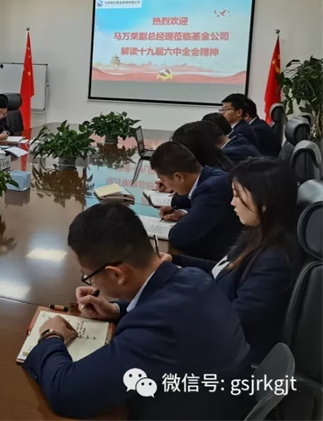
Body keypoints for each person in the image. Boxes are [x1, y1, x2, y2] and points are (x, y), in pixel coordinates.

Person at [23, 203, 252, 420]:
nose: (91, 282)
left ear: (117, 274)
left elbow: (65, 392)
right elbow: (160, 304)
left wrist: (51, 336)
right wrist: (115, 310)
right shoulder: (193, 277)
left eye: (89, 276)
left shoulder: (155, 328)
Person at [164, 158, 300, 363]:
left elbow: (234, 321)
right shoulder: (258, 233)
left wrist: (172, 318)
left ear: (264, 201)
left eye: (237, 195)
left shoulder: (274, 260)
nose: (232, 202)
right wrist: (175, 260)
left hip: (224, 357)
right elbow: (222, 270)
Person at [151, 142, 243, 260]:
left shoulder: (212, 189)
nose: (164, 184)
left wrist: (189, 218)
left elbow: (179, 236)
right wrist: (185, 213)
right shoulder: (212, 175)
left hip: (219, 259)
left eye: (163, 180)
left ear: (178, 177)